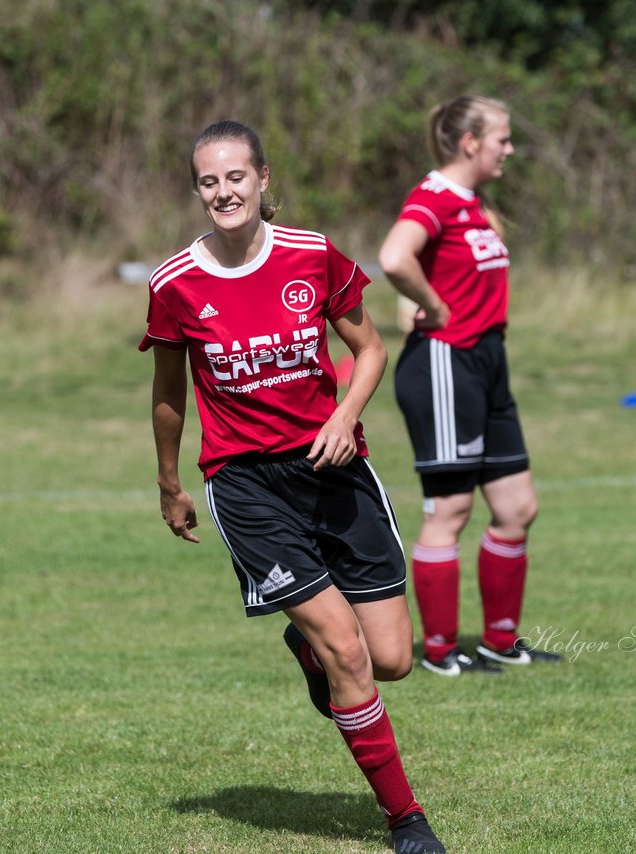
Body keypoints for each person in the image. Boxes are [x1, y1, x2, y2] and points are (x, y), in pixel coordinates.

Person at [141, 120, 446, 852]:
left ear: (263, 178)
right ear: (197, 190)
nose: (223, 191)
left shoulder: (312, 256)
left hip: (334, 471)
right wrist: (169, 483)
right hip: (245, 484)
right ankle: (407, 822)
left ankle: (305, 647)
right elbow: (168, 391)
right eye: (209, 181)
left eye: (235, 177)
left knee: (393, 660)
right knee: (347, 651)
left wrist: (346, 413)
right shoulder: (175, 283)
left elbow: (370, 349)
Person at [378, 95, 559, 676]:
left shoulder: (474, 205)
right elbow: (394, 256)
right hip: (443, 364)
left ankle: (500, 643)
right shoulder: (434, 197)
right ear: (470, 142)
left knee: (516, 506)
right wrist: (430, 305)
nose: (510, 149)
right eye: (502, 138)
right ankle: (438, 651)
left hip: (487, 362)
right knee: (450, 508)